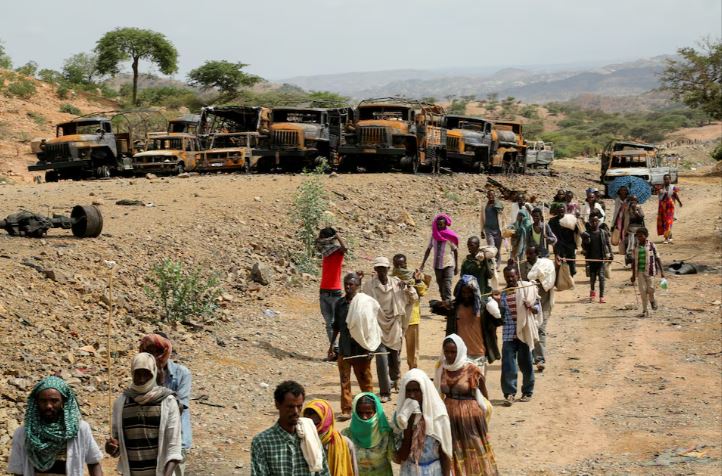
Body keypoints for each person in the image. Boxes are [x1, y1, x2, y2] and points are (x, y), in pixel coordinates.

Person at [9, 376, 103, 476]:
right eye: (43, 401)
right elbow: (18, 471)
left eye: (54, 401)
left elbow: (93, 463)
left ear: (63, 402)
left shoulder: (79, 430)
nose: (48, 405)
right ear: (37, 402)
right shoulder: (24, 433)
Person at [106, 353, 182, 476]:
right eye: (138, 374)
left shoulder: (167, 402)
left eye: (146, 374)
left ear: (154, 373)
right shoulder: (121, 403)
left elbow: (174, 447)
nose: (141, 379)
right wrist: (111, 448)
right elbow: (117, 447)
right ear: (132, 374)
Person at [434, 335, 498, 475]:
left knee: (473, 451)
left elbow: (484, 395)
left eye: (453, 352)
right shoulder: (441, 368)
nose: (449, 355)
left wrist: (480, 415)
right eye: (447, 351)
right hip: (448, 418)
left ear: (461, 351)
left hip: (470, 419)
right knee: (452, 451)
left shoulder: (472, 370)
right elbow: (437, 393)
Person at [362, 257, 417, 400]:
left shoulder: (397, 283)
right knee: (381, 359)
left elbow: (413, 298)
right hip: (378, 326)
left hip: (394, 325)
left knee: (395, 357)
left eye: (383, 268)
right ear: (375, 270)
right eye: (378, 268)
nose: (381, 271)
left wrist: (408, 288)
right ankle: (385, 392)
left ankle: (395, 379)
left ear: (388, 269)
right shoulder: (369, 286)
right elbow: (363, 303)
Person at [486, 267, 541, 406]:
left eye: (512, 276)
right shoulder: (503, 294)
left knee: (526, 363)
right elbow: (499, 316)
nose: (510, 279)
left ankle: (527, 391)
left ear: (517, 275)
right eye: (507, 277)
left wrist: (530, 306)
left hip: (524, 333)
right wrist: (496, 302)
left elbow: (537, 309)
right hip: (509, 334)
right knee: (508, 365)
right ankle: (509, 393)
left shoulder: (526, 289)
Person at [140, 333, 192, 475]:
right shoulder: (142, 374)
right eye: (149, 352)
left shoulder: (182, 374)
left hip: (176, 441)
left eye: (156, 351)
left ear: (164, 351)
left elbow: (179, 408)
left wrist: (161, 384)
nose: (153, 356)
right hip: (150, 442)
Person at [252, 381, 330, 476]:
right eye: (290, 407)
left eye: (299, 406)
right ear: (277, 404)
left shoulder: (310, 434)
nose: (296, 411)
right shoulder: (262, 443)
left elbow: (323, 472)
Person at [329, 273, 375, 420]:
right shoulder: (340, 304)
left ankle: (372, 408)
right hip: (344, 348)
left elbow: (370, 326)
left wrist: (370, 348)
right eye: (346, 284)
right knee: (344, 380)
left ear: (358, 286)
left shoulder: (364, 304)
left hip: (361, 348)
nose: (348, 287)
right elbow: (336, 326)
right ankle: (346, 410)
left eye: (351, 284)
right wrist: (331, 345)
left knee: (365, 380)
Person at [392, 369, 452, 476]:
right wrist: (408, 423)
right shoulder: (399, 417)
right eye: (408, 391)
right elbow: (402, 456)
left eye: (416, 391)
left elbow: (445, 453)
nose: (412, 395)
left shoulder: (438, 415)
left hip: (434, 470)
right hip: (409, 470)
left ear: (424, 391)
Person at [520, 245, 556, 372]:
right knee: (528, 329)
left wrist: (560, 265)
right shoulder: (522, 267)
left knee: (540, 328)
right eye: (527, 254)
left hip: (544, 303)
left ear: (537, 254)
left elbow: (551, 282)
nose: (528, 256)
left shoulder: (546, 267)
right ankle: (529, 358)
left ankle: (540, 359)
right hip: (528, 304)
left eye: (531, 254)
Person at [341, 393, 394, 476]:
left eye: (369, 413)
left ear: (376, 413)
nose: (364, 417)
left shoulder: (385, 434)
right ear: (355, 413)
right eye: (360, 413)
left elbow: (396, 459)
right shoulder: (346, 435)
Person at [391, 254, 428, 370]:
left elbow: (423, 291)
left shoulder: (414, 277)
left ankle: (413, 372)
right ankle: (395, 377)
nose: (398, 268)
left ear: (405, 264)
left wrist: (416, 281)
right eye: (396, 265)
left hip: (412, 318)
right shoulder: (391, 279)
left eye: (401, 265)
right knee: (395, 349)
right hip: (396, 318)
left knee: (413, 350)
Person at [303, 399, 358, 476]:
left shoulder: (344, 443)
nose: (311, 427)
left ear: (326, 420)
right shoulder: (300, 442)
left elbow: (353, 471)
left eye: (315, 424)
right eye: (307, 415)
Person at [317, 227, 348, 354]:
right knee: (329, 324)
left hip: (335, 292)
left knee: (337, 324)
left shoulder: (336, 251)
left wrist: (337, 237)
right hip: (323, 291)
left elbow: (345, 248)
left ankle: (341, 349)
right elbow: (317, 242)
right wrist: (332, 237)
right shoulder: (325, 250)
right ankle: (335, 350)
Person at [420, 214, 459, 301]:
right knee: (441, 286)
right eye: (438, 224)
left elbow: (455, 251)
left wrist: (456, 266)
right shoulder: (434, 236)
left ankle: (448, 305)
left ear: (445, 224)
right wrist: (423, 263)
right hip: (437, 265)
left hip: (448, 264)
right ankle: (444, 301)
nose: (439, 226)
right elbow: (428, 249)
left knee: (447, 285)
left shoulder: (449, 236)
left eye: (441, 224)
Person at [631, 228, 665, 318]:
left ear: (645, 236)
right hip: (640, 272)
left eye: (641, 236)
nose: (639, 238)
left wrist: (662, 272)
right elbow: (633, 261)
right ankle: (645, 310)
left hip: (650, 271)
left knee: (651, 289)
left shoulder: (652, 246)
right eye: (638, 236)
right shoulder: (635, 247)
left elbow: (657, 258)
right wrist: (633, 275)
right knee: (642, 291)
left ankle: (652, 300)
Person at [581, 214, 613, 303]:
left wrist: (611, 254)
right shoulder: (587, 233)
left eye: (596, 221)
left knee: (602, 277)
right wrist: (585, 241)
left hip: (601, 259)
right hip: (591, 260)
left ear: (598, 222)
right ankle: (592, 291)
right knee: (592, 278)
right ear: (590, 223)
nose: (594, 223)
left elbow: (607, 243)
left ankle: (601, 296)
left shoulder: (603, 232)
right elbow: (583, 247)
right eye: (592, 221)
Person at [548, 203, 578, 276]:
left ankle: (571, 278)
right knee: (559, 264)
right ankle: (560, 280)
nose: (561, 213)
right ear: (557, 211)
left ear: (565, 211)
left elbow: (577, 231)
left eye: (562, 211)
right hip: (558, 245)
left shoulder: (571, 219)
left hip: (570, 244)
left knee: (571, 264)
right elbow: (549, 232)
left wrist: (578, 220)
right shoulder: (552, 221)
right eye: (559, 211)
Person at [480, 190, 505, 269]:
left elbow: (503, 218)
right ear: (487, 196)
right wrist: (481, 230)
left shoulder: (498, 205)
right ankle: (492, 265)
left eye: (492, 195)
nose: (491, 197)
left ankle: (497, 265)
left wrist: (504, 230)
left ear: (494, 196)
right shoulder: (484, 206)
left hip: (498, 230)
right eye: (489, 195)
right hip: (488, 230)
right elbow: (481, 219)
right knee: (491, 248)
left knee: (497, 249)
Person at [657, 174, 682, 244]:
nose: (666, 180)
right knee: (664, 222)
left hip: (670, 207)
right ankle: (669, 235)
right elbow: (659, 197)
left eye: (668, 179)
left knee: (668, 222)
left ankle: (666, 238)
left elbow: (675, 195)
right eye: (665, 179)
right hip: (662, 207)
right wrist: (663, 192)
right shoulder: (661, 187)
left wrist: (679, 202)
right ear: (663, 180)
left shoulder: (673, 187)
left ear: (670, 180)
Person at [624, 195, 646, 265]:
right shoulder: (627, 209)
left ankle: (639, 260)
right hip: (630, 230)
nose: (633, 202)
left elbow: (641, 218)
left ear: (637, 201)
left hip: (638, 230)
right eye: (631, 200)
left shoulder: (639, 208)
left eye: (634, 200)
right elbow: (624, 219)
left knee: (639, 245)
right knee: (629, 245)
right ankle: (630, 260)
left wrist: (635, 212)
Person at [611, 186, 630, 256]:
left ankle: (626, 248)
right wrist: (613, 223)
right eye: (622, 190)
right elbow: (615, 211)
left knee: (625, 233)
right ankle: (621, 249)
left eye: (625, 190)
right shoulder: (617, 200)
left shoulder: (629, 200)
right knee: (619, 232)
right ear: (619, 191)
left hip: (626, 218)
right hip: (619, 218)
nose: (623, 192)